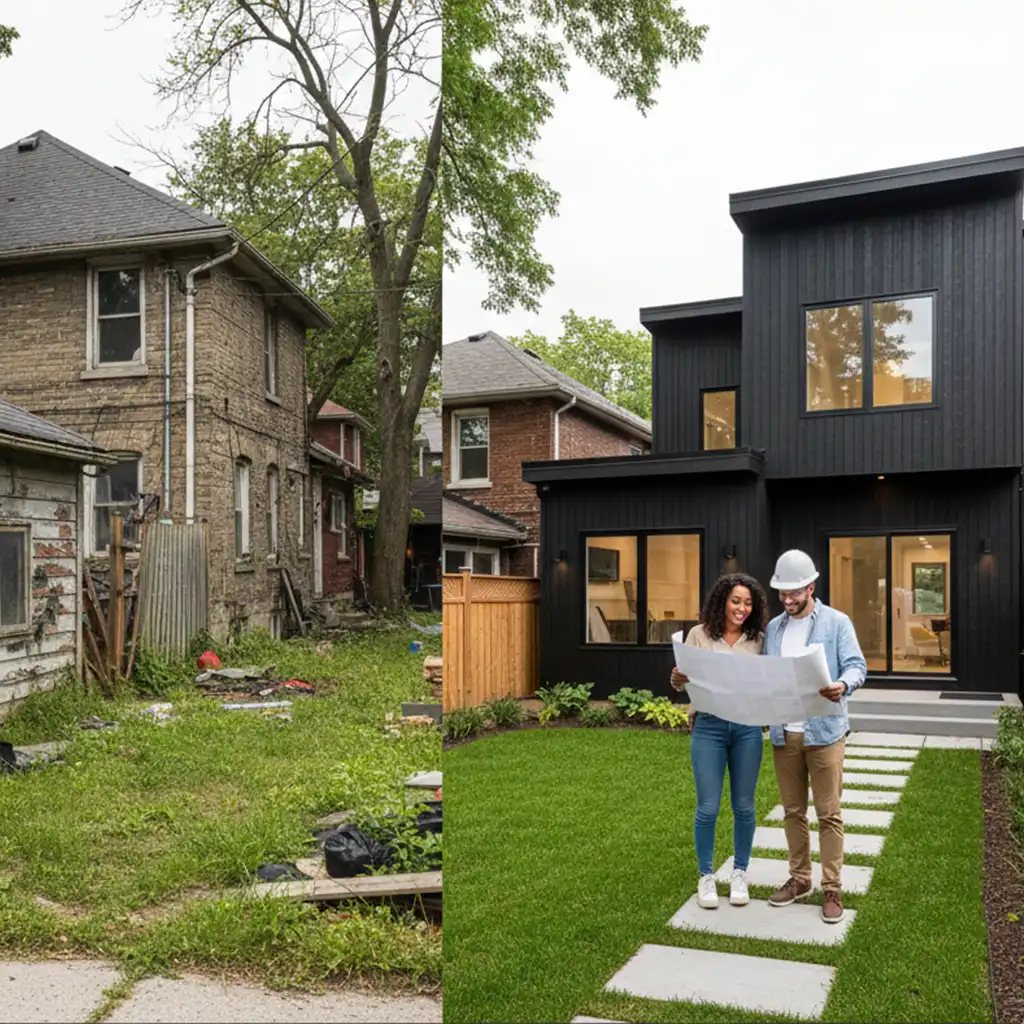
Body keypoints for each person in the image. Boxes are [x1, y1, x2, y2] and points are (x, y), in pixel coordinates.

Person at [763, 549, 867, 925]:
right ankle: (801, 878)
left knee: (828, 813)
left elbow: (857, 666)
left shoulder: (837, 623)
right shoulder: (774, 629)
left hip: (825, 733)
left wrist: (843, 684)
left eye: (794, 593)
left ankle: (832, 886)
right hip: (785, 733)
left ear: (811, 586)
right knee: (792, 811)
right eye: (782, 594)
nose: (787, 600)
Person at [669, 573, 768, 910]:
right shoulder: (699, 635)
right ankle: (706, 875)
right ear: (722, 601)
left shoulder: (759, 640)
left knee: (744, 805)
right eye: (735, 601)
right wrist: (676, 677)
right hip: (709, 727)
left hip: (746, 729)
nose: (741, 608)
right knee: (708, 807)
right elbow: (680, 683)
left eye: (747, 602)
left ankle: (740, 872)